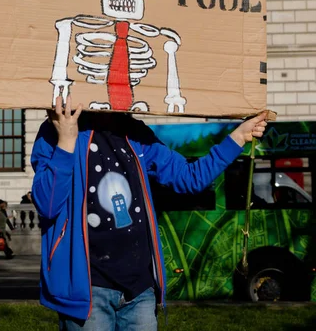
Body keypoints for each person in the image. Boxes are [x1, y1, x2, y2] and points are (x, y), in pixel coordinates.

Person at [31, 96, 267, 330]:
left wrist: (238, 137)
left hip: (140, 290)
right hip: (89, 292)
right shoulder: (54, 130)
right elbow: (47, 205)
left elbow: (190, 178)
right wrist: (66, 141)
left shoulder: (136, 133)